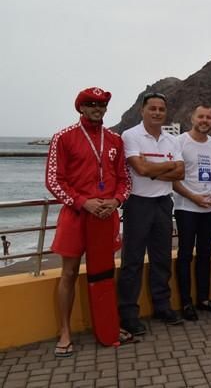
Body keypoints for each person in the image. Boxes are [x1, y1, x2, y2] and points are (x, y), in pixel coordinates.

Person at [45, 87, 131, 357]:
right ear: (81, 108)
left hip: (106, 217)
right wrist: (83, 202)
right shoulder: (64, 137)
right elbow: (54, 181)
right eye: (91, 104)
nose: (97, 108)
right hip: (76, 215)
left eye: (101, 105)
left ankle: (108, 325)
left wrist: (116, 201)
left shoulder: (115, 140)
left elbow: (124, 180)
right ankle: (65, 332)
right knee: (69, 274)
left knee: (104, 274)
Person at [118, 92, 185, 335]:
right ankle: (128, 314)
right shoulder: (131, 135)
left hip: (163, 203)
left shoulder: (172, 140)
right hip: (138, 203)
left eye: (161, 109)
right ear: (142, 111)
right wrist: (165, 166)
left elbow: (180, 173)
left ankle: (162, 306)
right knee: (132, 261)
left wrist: (153, 170)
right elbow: (139, 167)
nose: (157, 112)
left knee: (162, 258)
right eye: (152, 108)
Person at [172, 105, 211, 321]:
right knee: (185, 255)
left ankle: (203, 299)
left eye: (208, 117)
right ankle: (186, 302)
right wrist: (193, 197)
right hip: (187, 208)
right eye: (201, 116)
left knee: (204, 254)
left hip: (210, 208)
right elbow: (173, 179)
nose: (204, 120)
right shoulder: (180, 142)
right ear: (192, 118)